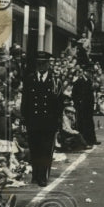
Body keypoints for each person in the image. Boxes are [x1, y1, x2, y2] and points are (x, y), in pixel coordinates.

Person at [20, 50, 64, 187]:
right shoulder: (30, 79)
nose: (41, 66)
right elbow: (25, 101)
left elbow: (59, 103)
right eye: (38, 64)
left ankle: (43, 176)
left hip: (48, 122)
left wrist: (58, 121)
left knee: (45, 150)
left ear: (48, 65)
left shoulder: (55, 80)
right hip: (33, 120)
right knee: (35, 148)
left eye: (43, 64)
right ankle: (35, 174)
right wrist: (24, 119)